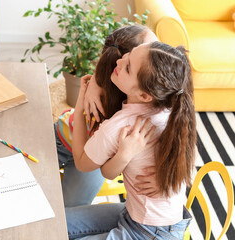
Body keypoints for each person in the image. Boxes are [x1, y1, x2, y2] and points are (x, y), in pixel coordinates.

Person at [67, 41, 196, 239]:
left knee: (55, 228)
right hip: (148, 217)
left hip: (151, 232)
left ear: (144, 95)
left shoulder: (121, 127)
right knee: (58, 222)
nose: (120, 60)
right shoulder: (173, 107)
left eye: (127, 67)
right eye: (129, 54)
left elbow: (82, 163)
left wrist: (80, 106)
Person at [55, 25, 159, 207]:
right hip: (66, 138)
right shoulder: (107, 92)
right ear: (123, 62)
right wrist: (93, 83)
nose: (160, 53)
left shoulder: (147, 94)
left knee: (68, 212)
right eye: (152, 47)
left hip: (93, 157)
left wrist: (169, 178)